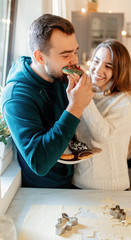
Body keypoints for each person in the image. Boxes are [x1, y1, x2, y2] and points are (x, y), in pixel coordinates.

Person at [0, 14, 94, 188]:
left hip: (73, 181)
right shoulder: (16, 97)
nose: (75, 60)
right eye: (66, 55)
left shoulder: (59, 76)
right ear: (40, 57)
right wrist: (76, 107)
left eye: (75, 51)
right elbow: (39, 162)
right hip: (43, 191)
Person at [71, 39, 131, 190]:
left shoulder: (126, 100)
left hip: (112, 188)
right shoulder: (87, 92)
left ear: (119, 71)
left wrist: (82, 98)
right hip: (78, 183)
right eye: (96, 61)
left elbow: (103, 136)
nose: (98, 70)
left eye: (108, 66)